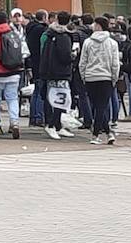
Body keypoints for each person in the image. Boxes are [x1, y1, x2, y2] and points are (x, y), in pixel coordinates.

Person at [79, 15, 121, 145]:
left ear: (98, 26)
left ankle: (104, 133)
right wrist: (114, 78)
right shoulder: (112, 43)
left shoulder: (88, 42)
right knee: (101, 106)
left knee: (97, 106)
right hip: (106, 77)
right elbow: (115, 63)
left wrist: (84, 76)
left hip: (91, 77)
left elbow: (82, 62)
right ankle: (98, 134)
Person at [36, 11, 76, 139]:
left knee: (52, 97)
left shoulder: (49, 33)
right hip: (60, 72)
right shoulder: (63, 36)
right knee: (61, 99)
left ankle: (56, 125)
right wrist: (73, 55)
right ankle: (52, 125)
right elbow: (65, 56)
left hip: (49, 71)